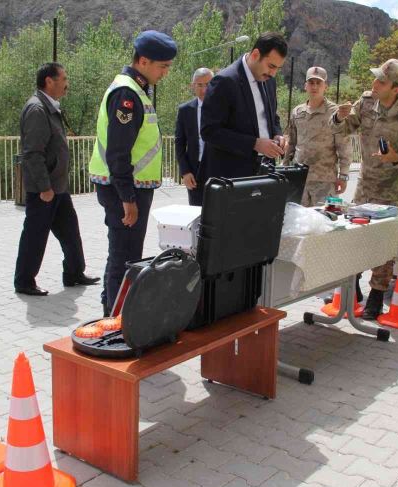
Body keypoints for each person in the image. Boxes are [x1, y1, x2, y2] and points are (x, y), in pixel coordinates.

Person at [87, 30, 177, 316]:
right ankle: (117, 320)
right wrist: (127, 197)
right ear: (144, 61)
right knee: (125, 257)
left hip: (129, 188)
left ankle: (111, 309)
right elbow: (118, 152)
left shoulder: (135, 89)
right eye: (162, 66)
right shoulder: (127, 94)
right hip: (124, 190)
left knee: (123, 253)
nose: (165, 73)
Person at [332, 59, 398, 319]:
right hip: (364, 184)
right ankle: (353, 289)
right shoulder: (365, 102)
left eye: (381, 81)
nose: (374, 84)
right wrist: (339, 117)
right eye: (375, 78)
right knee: (355, 235)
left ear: (396, 89)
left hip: (390, 189)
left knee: (383, 245)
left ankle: (376, 296)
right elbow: (343, 128)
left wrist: (396, 158)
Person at [14, 63, 100, 296]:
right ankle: (24, 282)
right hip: (45, 189)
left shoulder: (49, 107)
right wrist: (44, 187)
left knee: (70, 232)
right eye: (63, 78)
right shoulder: (37, 110)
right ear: (49, 81)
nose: (66, 83)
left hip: (57, 187)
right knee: (35, 235)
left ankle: (74, 273)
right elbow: (32, 152)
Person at [199, 32, 288, 181]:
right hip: (231, 177)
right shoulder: (224, 81)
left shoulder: (270, 81)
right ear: (255, 54)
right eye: (271, 66)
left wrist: (277, 135)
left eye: (278, 68)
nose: (273, 73)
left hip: (265, 172)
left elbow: (272, 117)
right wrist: (254, 144)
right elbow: (209, 131)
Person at [283, 66, 352, 206]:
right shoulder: (297, 112)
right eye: (311, 82)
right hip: (299, 179)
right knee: (299, 222)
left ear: (325, 86)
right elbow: (291, 143)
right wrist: (285, 168)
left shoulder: (335, 113)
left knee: (324, 223)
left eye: (318, 83)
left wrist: (343, 176)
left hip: (325, 181)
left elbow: (344, 147)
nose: (314, 86)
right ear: (305, 86)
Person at [175, 67, 214, 206]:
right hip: (194, 171)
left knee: (219, 215)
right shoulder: (185, 110)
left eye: (208, 84)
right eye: (200, 85)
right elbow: (179, 144)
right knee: (196, 215)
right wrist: (185, 172)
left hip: (218, 169)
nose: (204, 90)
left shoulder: (224, 109)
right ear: (193, 86)